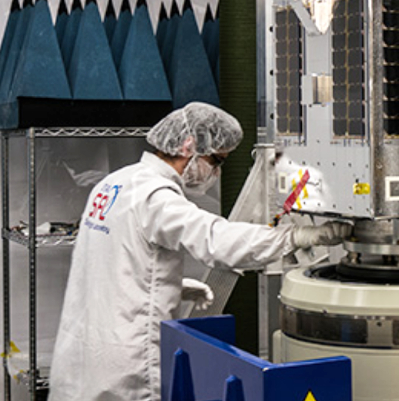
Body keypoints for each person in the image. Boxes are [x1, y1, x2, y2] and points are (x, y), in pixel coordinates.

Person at [48, 102, 352, 401]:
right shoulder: (156, 197)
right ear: (189, 146)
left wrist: (170, 286)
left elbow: (107, 261)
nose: (216, 173)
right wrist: (297, 236)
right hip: (125, 362)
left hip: (79, 352)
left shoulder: (114, 183)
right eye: (216, 161)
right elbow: (218, 241)